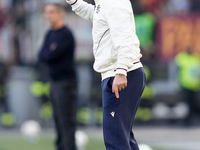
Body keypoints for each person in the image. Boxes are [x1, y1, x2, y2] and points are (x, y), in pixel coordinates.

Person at [66, 0, 146, 149]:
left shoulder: (113, 2)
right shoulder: (106, 2)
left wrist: (121, 71)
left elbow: (125, 39)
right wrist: (74, 2)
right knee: (123, 137)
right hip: (119, 72)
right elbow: (96, 15)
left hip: (121, 74)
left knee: (116, 140)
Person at [38, 3, 77, 150]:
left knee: (66, 120)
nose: (48, 16)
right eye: (46, 12)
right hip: (54, 81)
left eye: (52, 12)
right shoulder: (50, 33)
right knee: (58, 120)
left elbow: (51, 55)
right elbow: (42, 55)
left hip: (66, 82)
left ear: (61, 13)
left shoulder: (66, 34)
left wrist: (49, 52)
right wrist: (49, 52)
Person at [175, 47, 200, 126]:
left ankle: (191, 120)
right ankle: (186, 121)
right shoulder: (181, 57)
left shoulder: (196, 58)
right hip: (185, 85)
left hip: (195, 86)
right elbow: (175, 70)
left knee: (193, 104)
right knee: (185, 104)